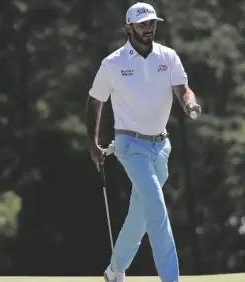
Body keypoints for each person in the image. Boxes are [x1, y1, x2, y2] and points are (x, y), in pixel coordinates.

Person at [85, 2, 202, 282]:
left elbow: (182, 88)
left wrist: (190, 104)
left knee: (140, 215)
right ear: (129, 28)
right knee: (157, 210)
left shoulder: (168, 56)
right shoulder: (113, 63)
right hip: (129, 145)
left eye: (152, 23)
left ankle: (115, 270)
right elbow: (95, 99)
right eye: (142, 24)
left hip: (161, 146)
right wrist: (92, 142)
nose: (149, 28)